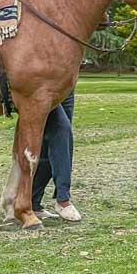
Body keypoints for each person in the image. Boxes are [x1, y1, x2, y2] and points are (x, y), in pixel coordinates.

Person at [31, 89, 81, 222]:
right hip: (47, 84)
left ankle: (32, 202)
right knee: (62, 129)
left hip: (66, 84)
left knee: (51, 144)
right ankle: (63, 199)